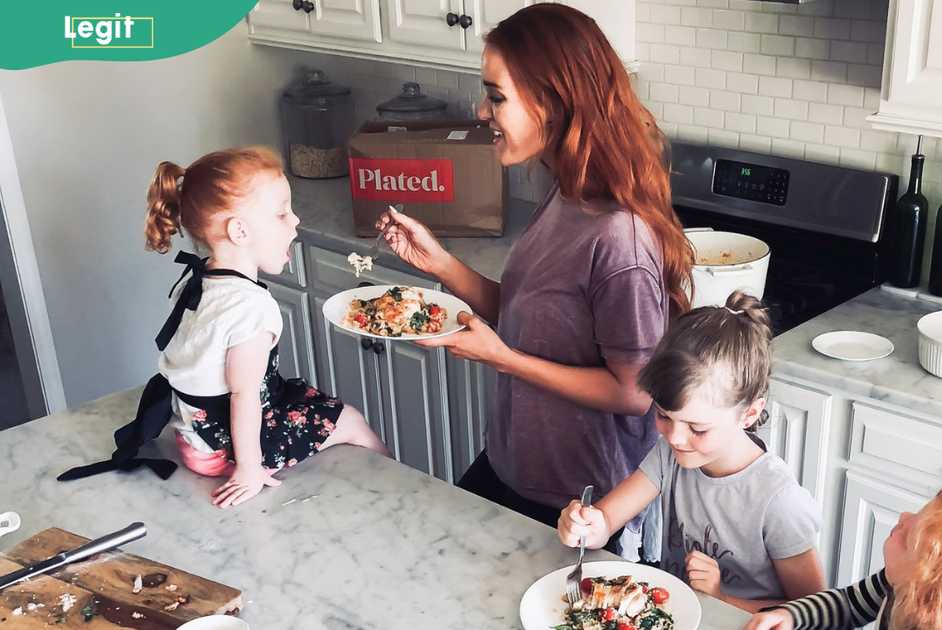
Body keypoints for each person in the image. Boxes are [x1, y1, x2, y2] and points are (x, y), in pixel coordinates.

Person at [375, 4, 692, 549]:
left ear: (553, 102)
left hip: (581, 507)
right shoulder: (567, 194)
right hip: (514, 469)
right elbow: (532, 321)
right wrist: (440, 264)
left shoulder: (620, 237)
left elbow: (635, 393)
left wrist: (503, 359)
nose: (482, 111)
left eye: (496, 97)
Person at [63, 147, 390, 508]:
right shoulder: (251, 308)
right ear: (239, 231)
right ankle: (394, 496)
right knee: (351, 421)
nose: (295, 221)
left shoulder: (196, 279)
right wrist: (249, 469)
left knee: (308, 400)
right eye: (282, 213)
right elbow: (243, 396)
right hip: (227, 446)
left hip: (193, 435)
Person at [558, 293, 825, 612]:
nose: (675, 437)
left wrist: (722, 598)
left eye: (697, 428)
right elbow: (607, 519)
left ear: (749, 414)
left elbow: (814, 612)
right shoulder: (668, 456)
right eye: (663, 415)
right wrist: (585, 525)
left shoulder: (779, 501)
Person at [744, 484, 942, 630]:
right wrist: (792, 616)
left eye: (908, 536)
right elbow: (847, 605)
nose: (903, 517)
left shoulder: (917, 594)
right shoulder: (895, 583)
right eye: (917, 513)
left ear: (926, 597)